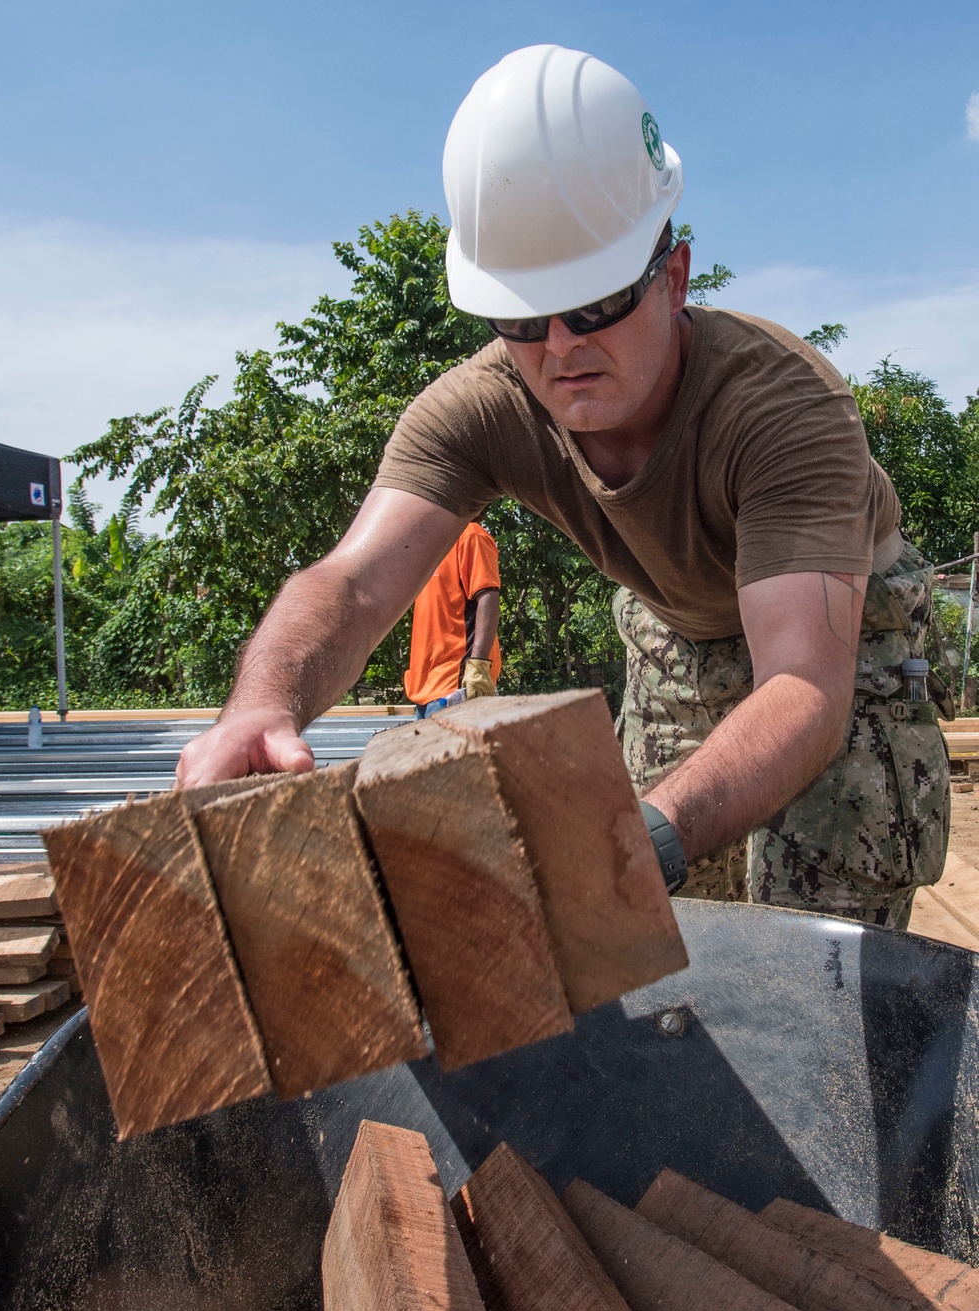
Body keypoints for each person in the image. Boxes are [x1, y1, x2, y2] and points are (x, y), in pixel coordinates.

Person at [178, 44, 949, 930]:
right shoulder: (481, 406)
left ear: (673, 275)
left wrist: (647, 833)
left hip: (841, 632)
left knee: (818, 937)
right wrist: (262, 705)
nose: (562, 347)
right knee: (674, 938)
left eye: (596, 305)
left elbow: (806, 688)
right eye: (522, 317)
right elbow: (351, 582)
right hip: (679, 631)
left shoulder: (782, 406)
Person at [405, 521, 502, 718]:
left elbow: (488, 596)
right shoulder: (433, 544)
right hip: (424, 690)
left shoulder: (471, 536)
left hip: (455, 686)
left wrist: (479, 665)